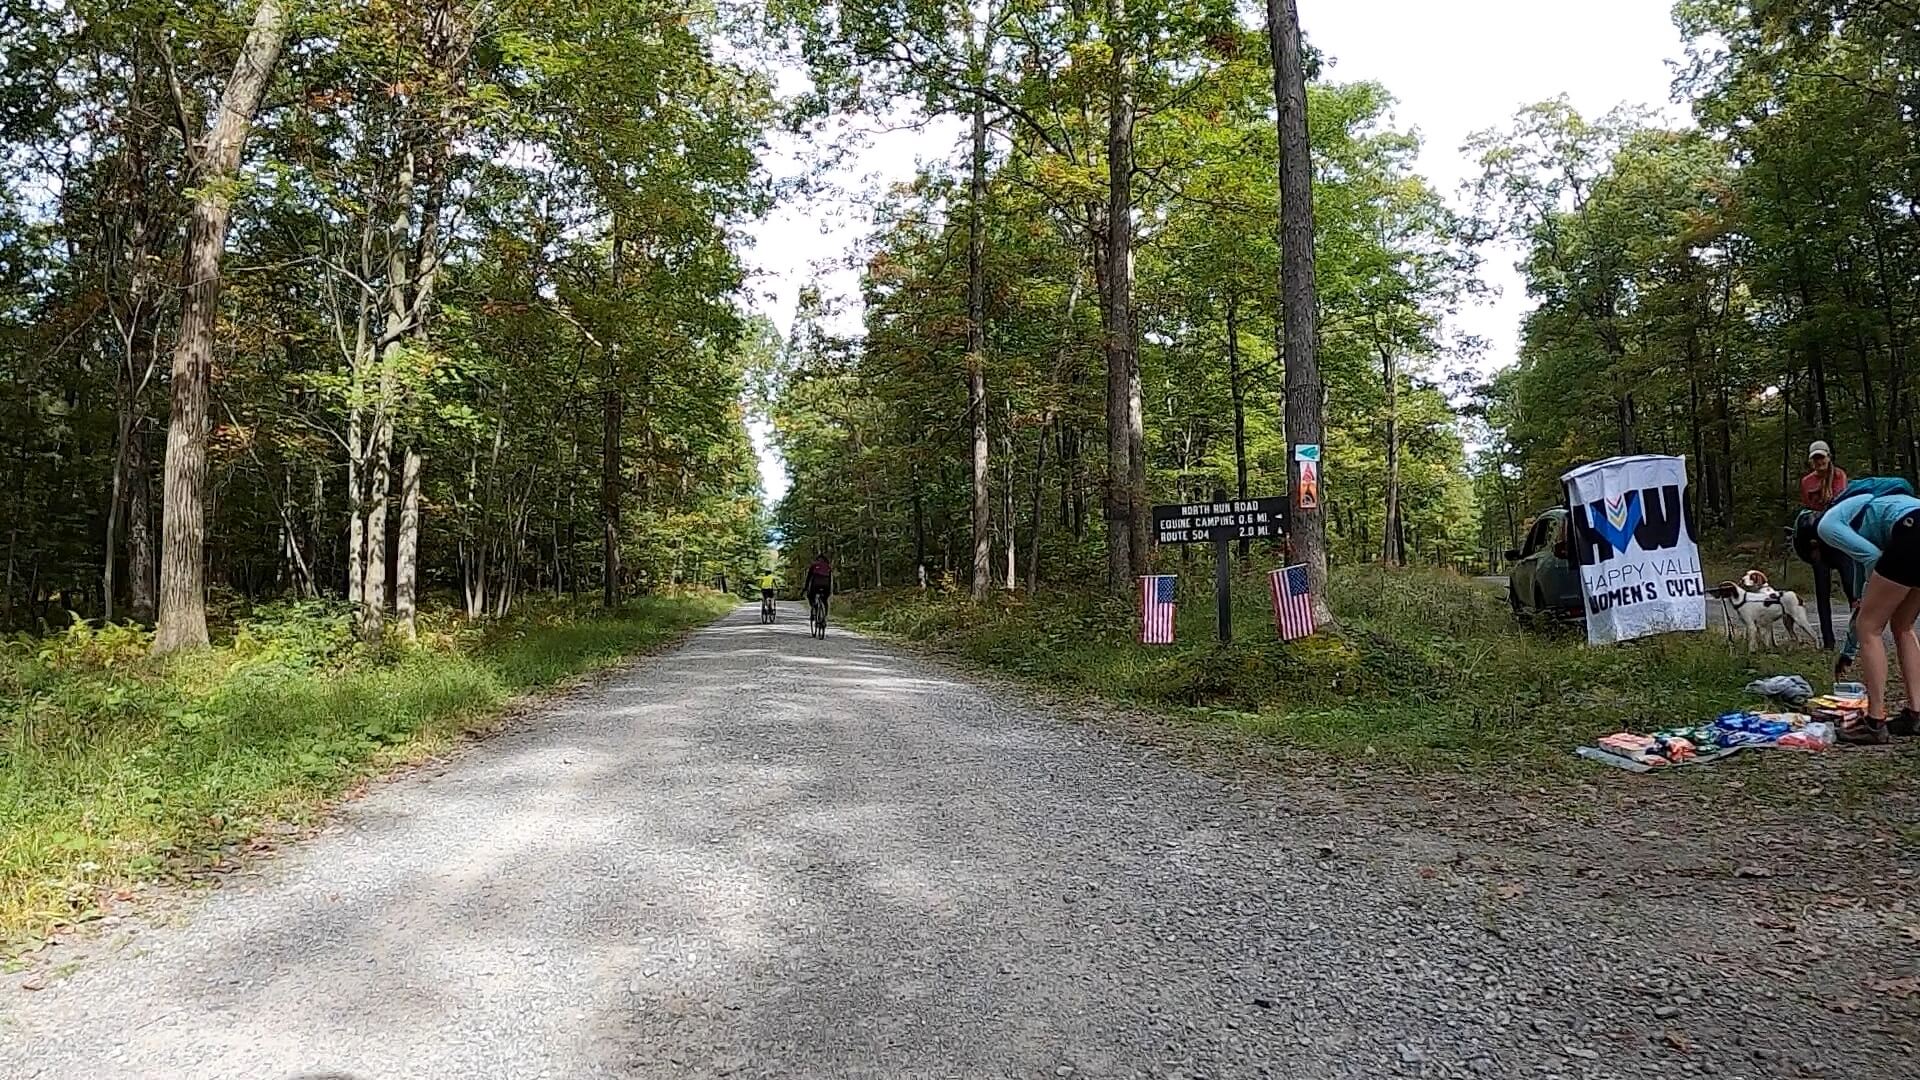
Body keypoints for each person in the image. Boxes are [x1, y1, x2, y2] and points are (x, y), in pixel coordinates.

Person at [1816, 479, 1920, 743]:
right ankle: (1915, 715)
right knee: (1903, 626)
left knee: (1869, 628)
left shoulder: (1827, 524)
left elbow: (1872, 559)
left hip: (1912, 533)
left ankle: (1874, 722)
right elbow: (1869, 566)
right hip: (1912, 527)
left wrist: (1864, 605)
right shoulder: (1867, 504)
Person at [1797, 442, 1851, 648]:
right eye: (1815, 458)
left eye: (1822, 457)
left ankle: (1859, 637)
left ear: (1828, 457)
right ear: (1811, 460)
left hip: (1838, 539)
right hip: (1817, 541)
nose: (1819, 462)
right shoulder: (1806, 482)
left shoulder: (1838, 476)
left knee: (1850, 588)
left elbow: (1840, 504)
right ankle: (1828, 641)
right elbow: (1807, 510)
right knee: (1822, 590)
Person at [803, 553, 833, 623]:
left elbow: (808, 578)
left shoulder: (814, 565)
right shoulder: (828, 566)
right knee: (825, 600)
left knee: (810, 596)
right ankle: (825, 617)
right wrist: (830, 591)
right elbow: (830, 579)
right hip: (826, 586)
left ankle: (814, 609)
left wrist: (805, 588)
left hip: (815, 585)